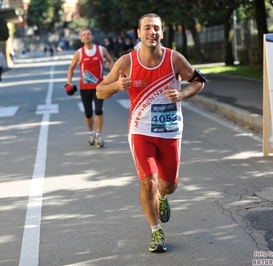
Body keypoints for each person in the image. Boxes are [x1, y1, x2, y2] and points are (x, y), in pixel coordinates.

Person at [96, 13, 206, 253]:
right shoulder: (127, 62)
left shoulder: (174, 59)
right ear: (139, 33)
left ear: (162, 33)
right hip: (140, 131)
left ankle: (163, 197)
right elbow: (99, 91)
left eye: (156, 28)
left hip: (169, 131)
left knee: (168, 186)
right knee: (148, 183)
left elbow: (199, 81)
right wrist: (116, 86)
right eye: (147, 28)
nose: (151, 32)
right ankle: (156, 231)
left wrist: (183, 94)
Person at [67, 28, 114, 148]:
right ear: (81, 38)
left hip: (99, 87)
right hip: (84, 87)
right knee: (88, 113)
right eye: (84, 35)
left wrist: (112, 77)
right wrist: (69, 82)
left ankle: (99, 134)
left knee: (98, 110)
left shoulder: (101, 49)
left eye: (88, 34)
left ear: (92, 36)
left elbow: (110, 60)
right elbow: (71, 68)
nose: (86, 36)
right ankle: (91, 132)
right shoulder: (79, 53)